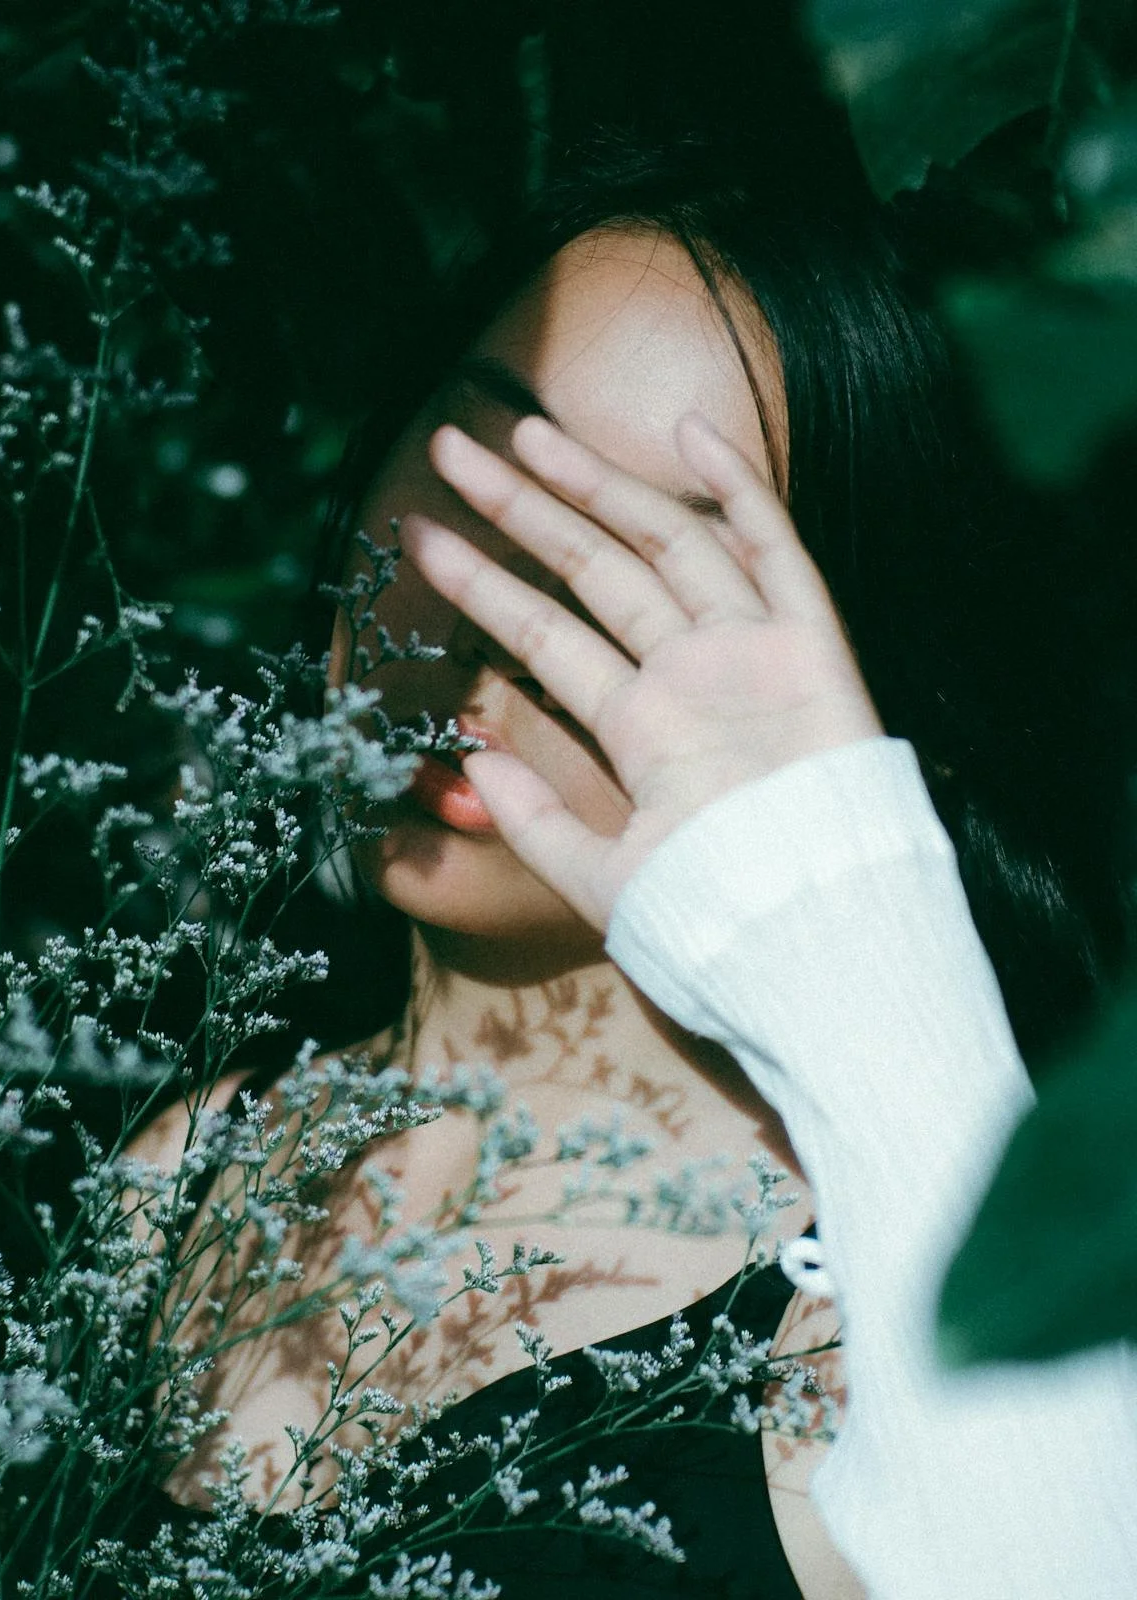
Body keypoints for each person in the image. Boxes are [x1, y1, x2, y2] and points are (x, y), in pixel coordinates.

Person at [129, 138, 1137, 1597]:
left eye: (648, 565)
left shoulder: (884, 1337)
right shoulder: (176, 1172)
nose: (502, 625)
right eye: (487, 476)